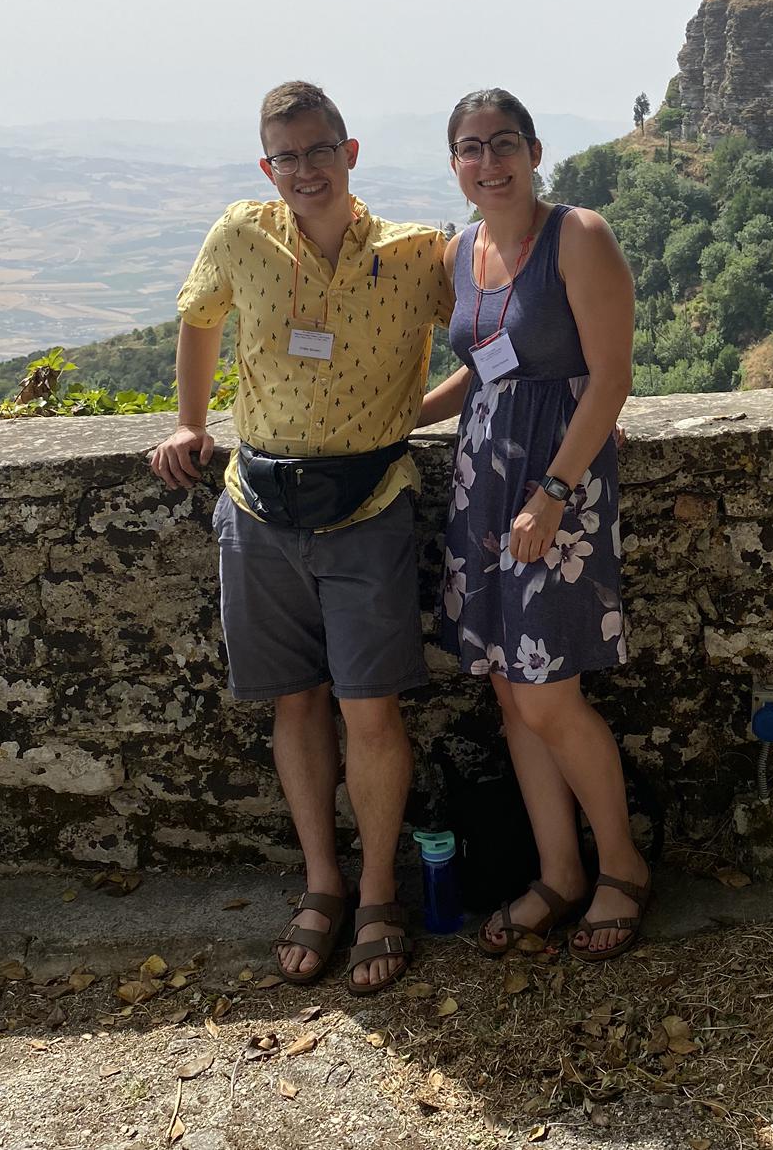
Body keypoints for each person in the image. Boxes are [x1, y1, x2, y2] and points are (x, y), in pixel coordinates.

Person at [150, 81, 451, 995]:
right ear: (266, 165)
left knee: (373, 708)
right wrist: (188, 421)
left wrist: (415, 416)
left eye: (321, 150)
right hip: (257, 502)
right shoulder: (240, 234)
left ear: (350, 153)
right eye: (288, 156)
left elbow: (497, 336)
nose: (306, 169)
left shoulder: (413, 254)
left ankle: (376, 895)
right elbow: (200, 319)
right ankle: (322, 883)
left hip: (368, 506)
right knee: (295, 703)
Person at [418, 88, 650, 960]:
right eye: (471, 148)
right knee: (512, 690)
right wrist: (390, 421)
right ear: (455, 165)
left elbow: (612, 376)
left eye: (504, 143)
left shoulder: (577, 236)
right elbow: (482, 374)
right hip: (485, 484)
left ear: (535, 149)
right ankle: (558, 874)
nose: (490, 161)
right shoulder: (459, 252)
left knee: (549, 689)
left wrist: (553, 491)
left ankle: (621, 866)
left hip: (560, 483)